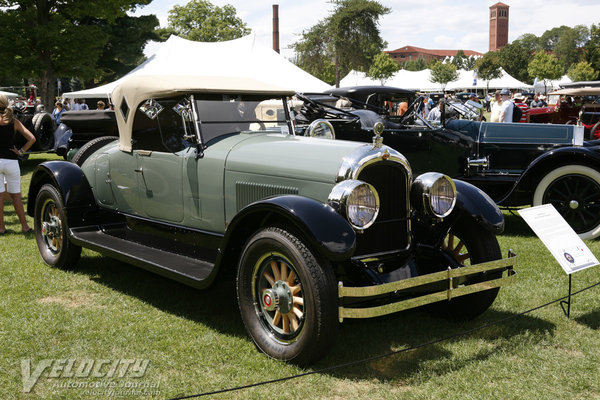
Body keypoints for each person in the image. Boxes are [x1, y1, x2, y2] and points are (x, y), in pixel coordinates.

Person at [0, 94, 36, 234]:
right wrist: (21, 151)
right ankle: (25, 226)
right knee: (16, 196)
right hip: (12, 161)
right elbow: (32, 138)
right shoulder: (14, 121)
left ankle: (1, 228)